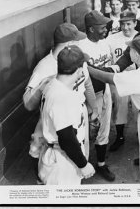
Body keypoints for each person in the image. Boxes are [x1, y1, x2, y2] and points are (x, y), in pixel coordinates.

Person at [23, 23, 98, 183]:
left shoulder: (75, 59)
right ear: (69, 44)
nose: (79, 43)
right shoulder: (44, 68)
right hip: (58, 132)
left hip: (75, 119)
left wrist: (94, 110)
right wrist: (43, 85)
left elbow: (87, 84)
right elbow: (28, 104)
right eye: (76, 40)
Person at [87, 35, 140, 178]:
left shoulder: (138, 75)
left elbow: (107, 78)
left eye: (130, 49)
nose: (128, 51)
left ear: (137, 54)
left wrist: (86, 67)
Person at [38, 45, 95, 185]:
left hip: (60, 155)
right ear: (80, 70)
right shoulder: (62, 96)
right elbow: (66, 137)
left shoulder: (52, 84)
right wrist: (83, 164)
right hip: (62, 160)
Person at [78, 10, 115, 181]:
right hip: (90, 94)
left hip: (105, 89)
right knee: (87, 131)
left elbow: (110, 66)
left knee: (104, 128)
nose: (105, 29)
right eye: (102, 27)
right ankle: (82, 165)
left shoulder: (104, 44)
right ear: (91, 29)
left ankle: (101, 164)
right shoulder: (81, 47)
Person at [105, 11, 138, 151]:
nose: (125, 27)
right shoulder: (111, 39)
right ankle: (119, 137)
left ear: (135, 23)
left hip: (137, 78)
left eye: (129, 24)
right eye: (123, 24)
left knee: (139, 109)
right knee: (120, 108)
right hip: (121, 78)